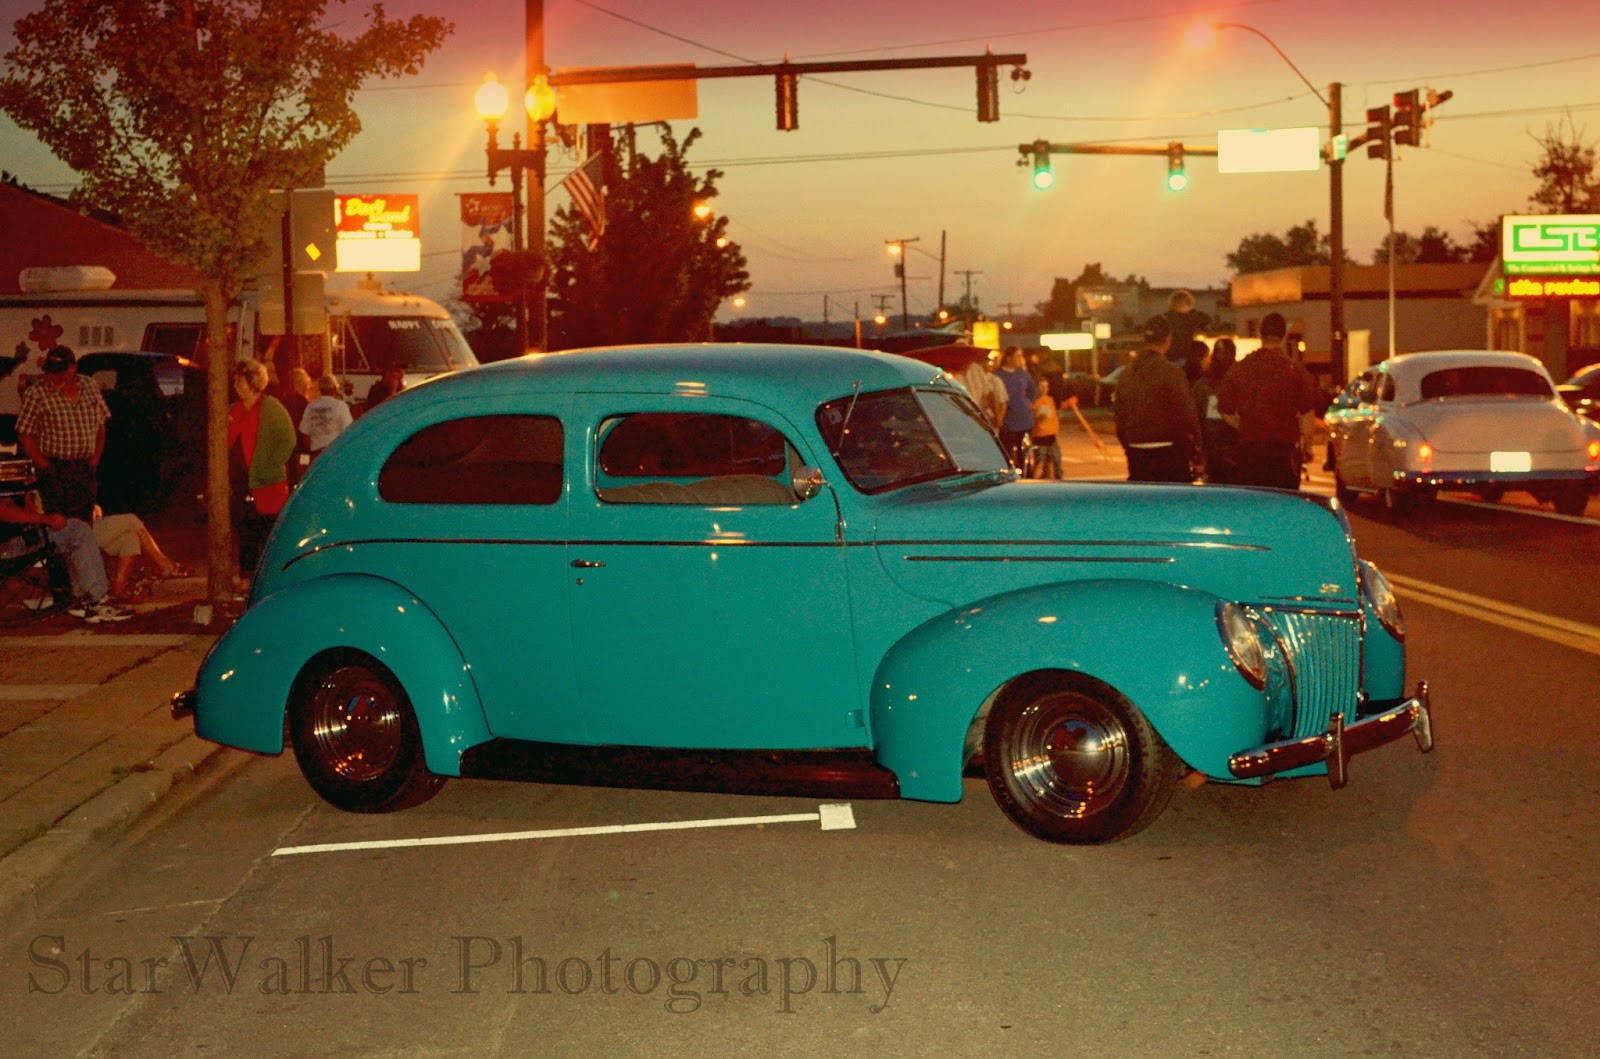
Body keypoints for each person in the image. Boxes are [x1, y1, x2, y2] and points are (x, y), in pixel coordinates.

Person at [1217, 312, 1323, 490]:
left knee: (1253, 505)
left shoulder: (1241, 368)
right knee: (1283, 503)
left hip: (1250, 451)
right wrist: (1308, 447)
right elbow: (1307, 414)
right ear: (1284, 336)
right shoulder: (1295, 370)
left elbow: (1225, 410)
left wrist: (1243, 426)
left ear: (1260, 334)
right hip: (1283, 452)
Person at [15, 345, 110, 522]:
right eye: (50, 371)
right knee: (59, 524)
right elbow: (24, 434)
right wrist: (45, 467)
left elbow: (101, 425)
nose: (53, 376)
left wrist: (95, 459)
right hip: (55, 469)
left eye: (59, 371)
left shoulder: (89, 385)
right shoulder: (37, 393)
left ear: (72, 368)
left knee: (84, 524)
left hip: (83, 469)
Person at [0, 494, 130, 622]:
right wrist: (46, 519)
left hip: (22, 541)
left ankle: (81, 597)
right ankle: (96, 600)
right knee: (78, 531)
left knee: (74, 529)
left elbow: (12, 506)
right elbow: (4, 510)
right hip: (9, 549)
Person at [228, 359, 296, 585]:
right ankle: (248, 579)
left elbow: (288, 440)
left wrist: (269, 465)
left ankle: (272, 579)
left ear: (253, 382)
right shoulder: (234, 410)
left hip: (267, 484)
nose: (235, 384)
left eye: (240, 380)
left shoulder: (271, 408)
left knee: (268, 533)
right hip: (241, 484)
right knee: (245, 530)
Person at [1113, 315, 1200, 483]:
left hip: (1136, 451)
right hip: (1169, 453)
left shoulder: (1127, 375)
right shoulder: (1172, 373)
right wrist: (1195, 451)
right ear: (1168, 339)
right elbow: (1186, 416)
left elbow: (1119, 417)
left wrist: (1129, 446)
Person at [92, 505, 190, 598]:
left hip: (91, 527)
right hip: (83, 530)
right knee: (131, 520)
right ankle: (165, 565)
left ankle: (117, 590)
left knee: (131, 539)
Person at [1192, 337, 1240, 484]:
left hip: (1217, 454)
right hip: (1228, 454)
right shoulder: (1239, 382)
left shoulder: (1202, 385)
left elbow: (1194, 420)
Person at [299, 374, 354, 466]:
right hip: (334, 455)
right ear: (336, 389)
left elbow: (305, 434)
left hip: (316, 456)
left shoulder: (310, 407)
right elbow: (348, 431)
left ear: (320, 389)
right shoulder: (340, 406)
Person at [995, 348, 1037, 468]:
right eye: (1017, 356)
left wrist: (1031, 402)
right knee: (1007, 450)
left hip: (1025, 419)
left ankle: (1027, 474)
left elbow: (1033, 388)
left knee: (1024, 451)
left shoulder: (1022, 373)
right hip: (1007, 421)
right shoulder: (998, 375)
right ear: (1008, 358)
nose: (1020, 359)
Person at [1163, 289, 1211, 384]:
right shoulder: (1191, 317)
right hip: (1184, 360)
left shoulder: (1167, 318)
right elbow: (1207, 319)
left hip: (1168, 359)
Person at [1029, 376, 1063, 480]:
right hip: (1039, 436)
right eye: (1041, 386)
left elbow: (1054, 417)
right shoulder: (1033, 401)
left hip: (1051, 435)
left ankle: (1055, 482)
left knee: (1053, 461)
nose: (1044, 389)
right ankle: (1034, 483)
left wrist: (1056, 433)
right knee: (1040, 462)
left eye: (1046, 386)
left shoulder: (1050, 400)